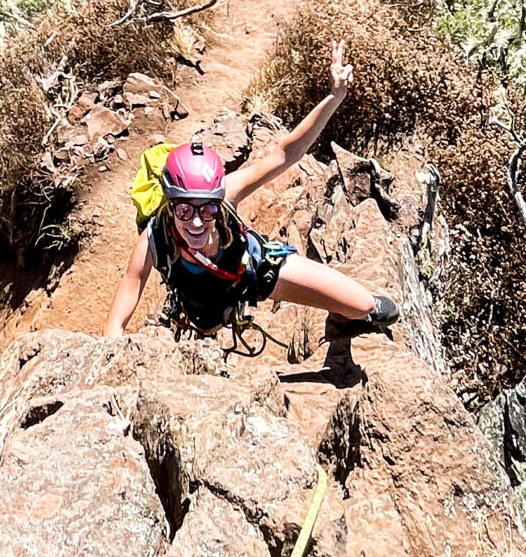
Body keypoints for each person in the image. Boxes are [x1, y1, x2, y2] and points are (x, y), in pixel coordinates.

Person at [104, 40, 400, 340]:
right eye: (184, 209)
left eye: (207, 209)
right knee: (206, 321)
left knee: (367, 307)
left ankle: (343, 311)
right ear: (169, 204)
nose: (196, 221)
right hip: (200, 306)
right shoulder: (154, 240)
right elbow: (115, 324)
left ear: (218, 199)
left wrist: (334, 98)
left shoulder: (226, 192)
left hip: (253, 271)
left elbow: (286, 154)